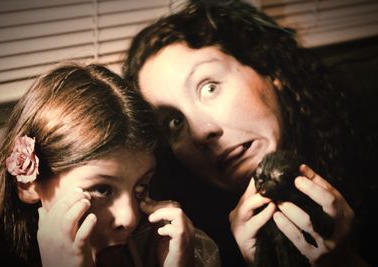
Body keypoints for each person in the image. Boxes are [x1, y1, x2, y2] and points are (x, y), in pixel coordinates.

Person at [122, 0, 377, 266]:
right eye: (174, 122)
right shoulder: (190, 245)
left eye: (209, 87)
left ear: (267, 69)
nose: (202, 131)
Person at [0, 62, 221, 267]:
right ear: (29, 183)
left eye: (140, 188)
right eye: (102, 190)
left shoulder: (166, 245)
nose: (129, 217)